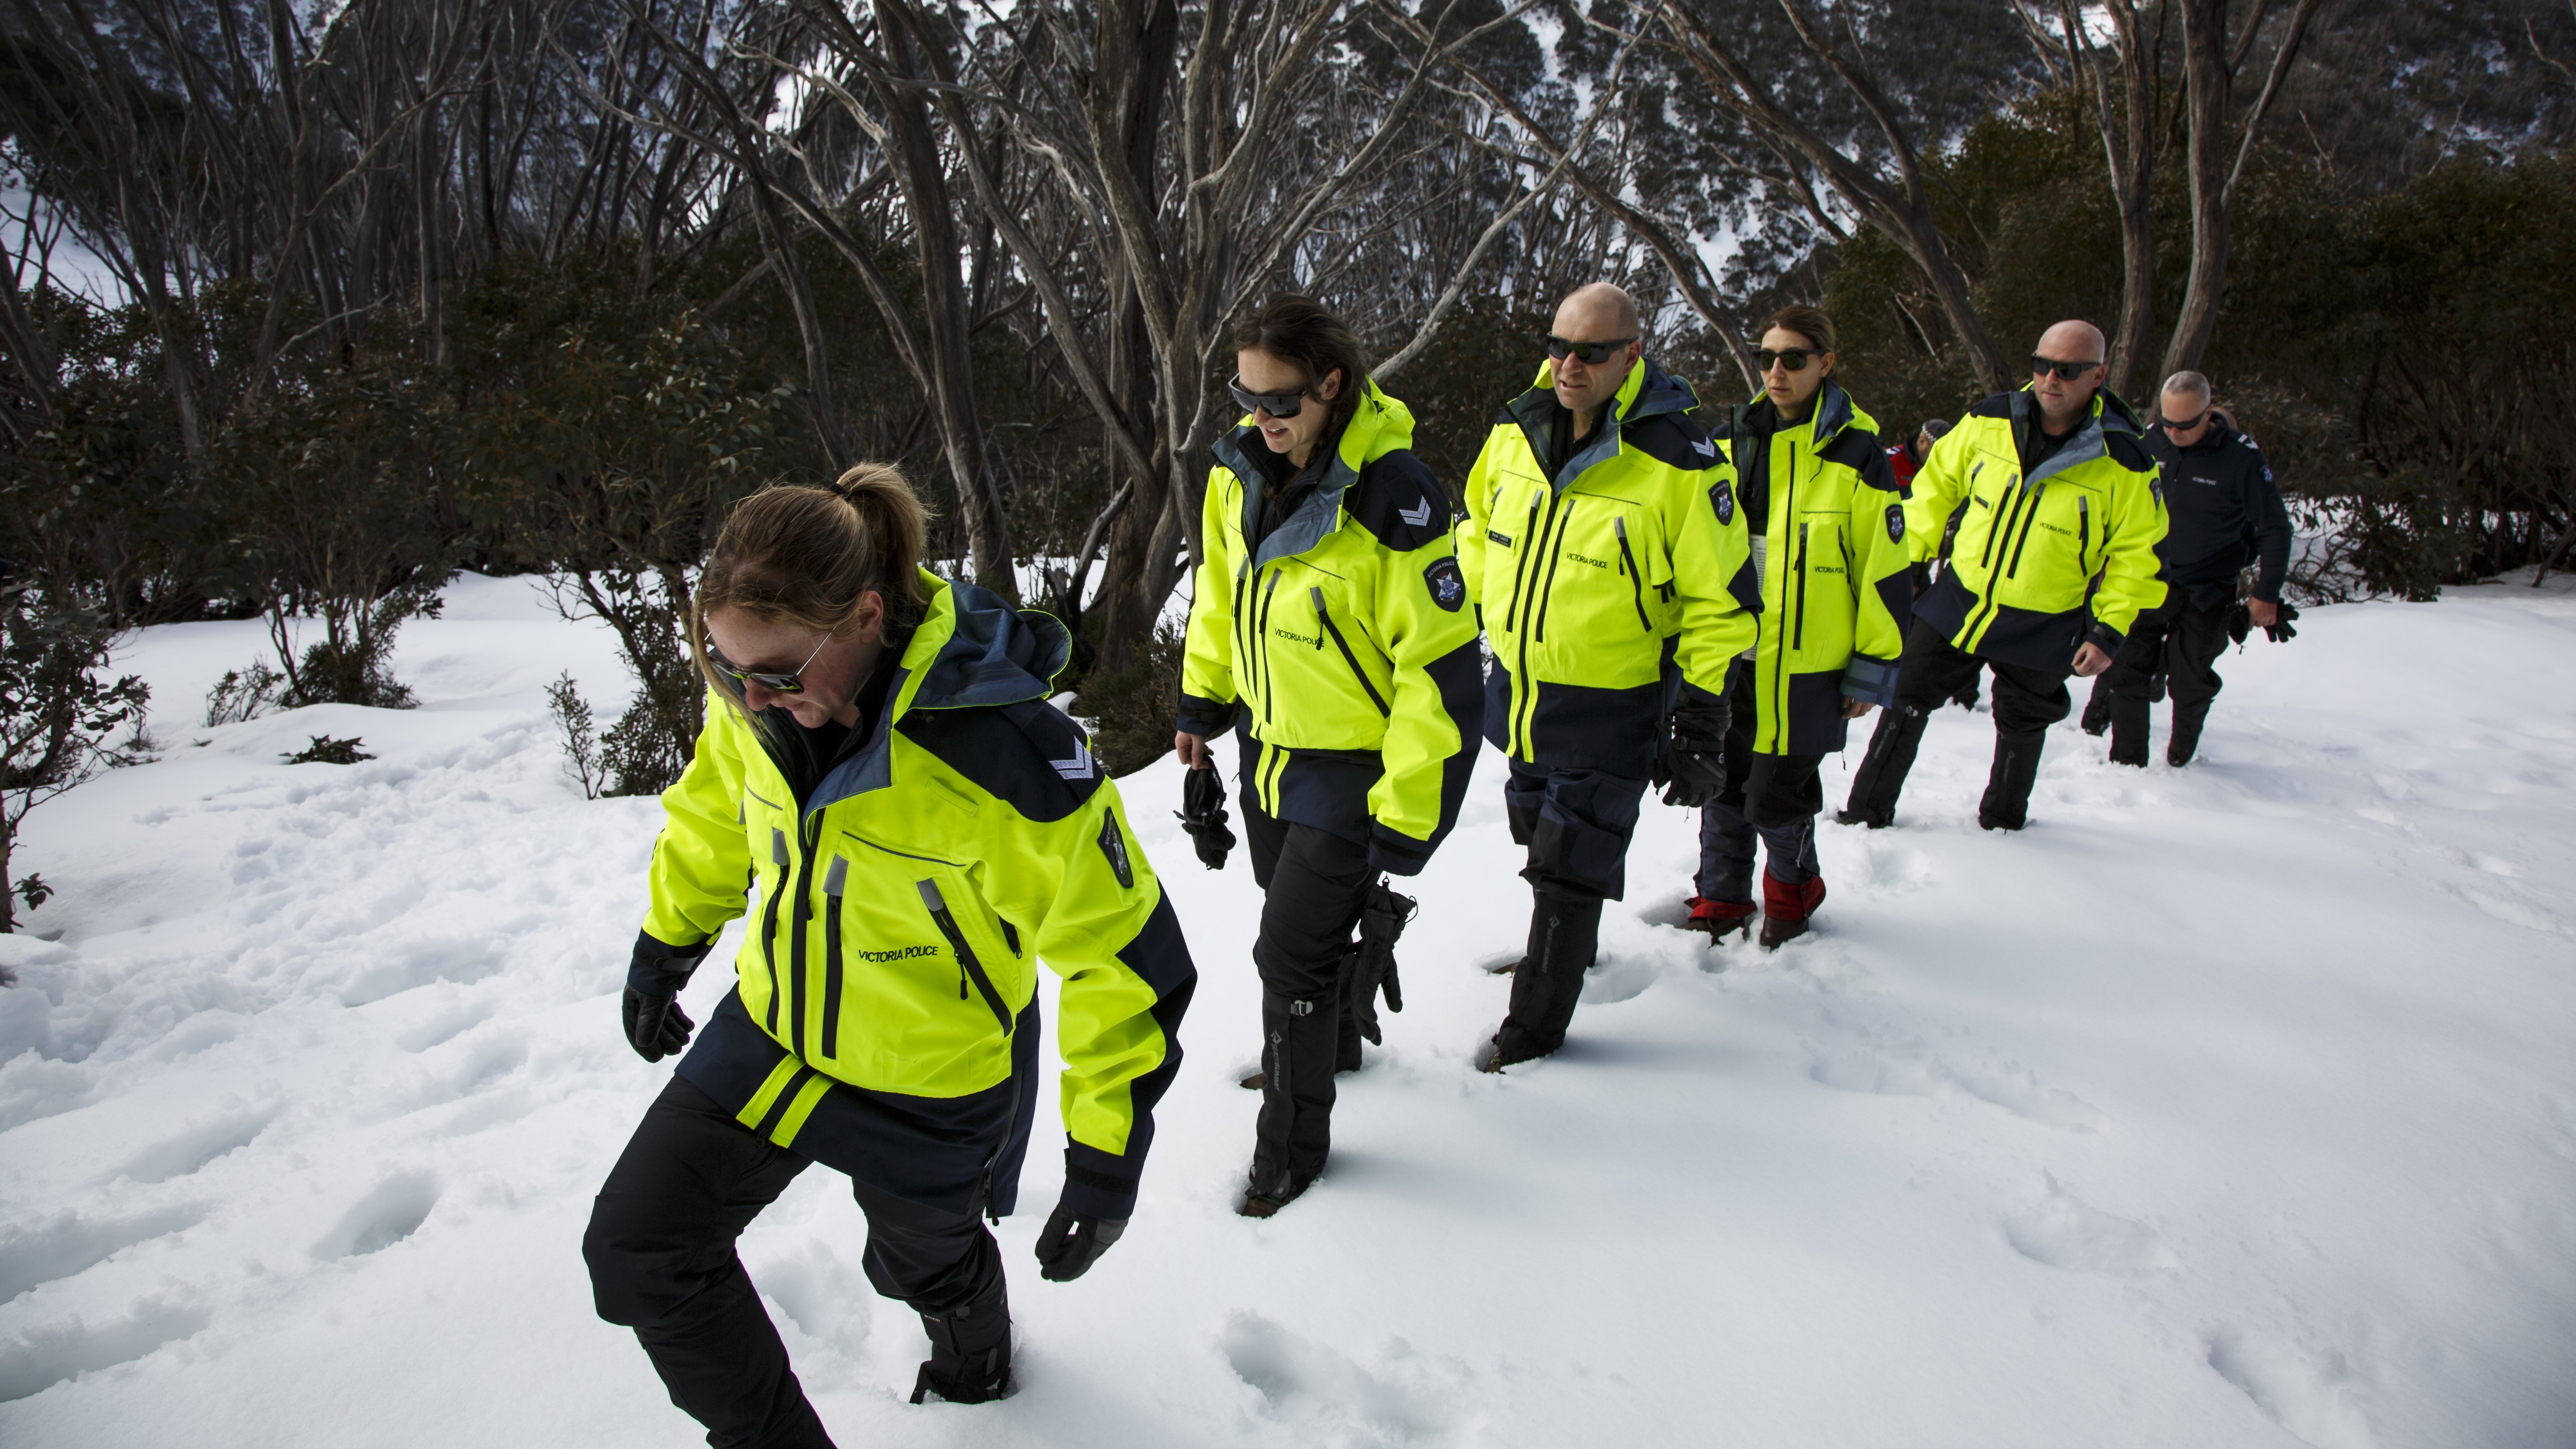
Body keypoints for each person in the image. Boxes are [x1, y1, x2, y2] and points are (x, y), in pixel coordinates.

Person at [584, 471, 1196, 1442]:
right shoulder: (753, 699)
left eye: (779, 674)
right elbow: (713, 811)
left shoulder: (1006, 756)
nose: (751, 698)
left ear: (868, 616)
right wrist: (667, 945)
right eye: (724, 666)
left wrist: (1106, 1160)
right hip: (777, 1031)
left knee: (920, 1264)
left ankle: (976, 1353)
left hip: (931, 1075)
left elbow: (1124, 961)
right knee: (638, 1249)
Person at [1172, 294, 1482, 1217]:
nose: (1261, 420)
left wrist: (1407, 810)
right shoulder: (1239, 471)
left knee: (1286, 958)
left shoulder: (1396, 501)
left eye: (1281, 402)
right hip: (1272, 751)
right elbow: (1223, 596)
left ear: (1333, 385)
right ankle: (1332, 1033)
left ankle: (1293, 1145)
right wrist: (1202, 700)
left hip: (1355, 767)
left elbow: (1441, 678)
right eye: (1247, 397)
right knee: (1292, 920)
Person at [1455, 281, 1755, 1069]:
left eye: (1590, 352)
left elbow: (1721, 603)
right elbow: (1477, 528)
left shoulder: (1680, 461)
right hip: (1521, 690)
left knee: (1570, 860)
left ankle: (1536, 1029)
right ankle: (1567, 948)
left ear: (1632, 354)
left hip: (1614, 700)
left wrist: (1700, 717)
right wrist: (1484, 614)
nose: (1568, 366)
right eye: (1557, 347)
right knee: (1534, 830)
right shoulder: (1516, 431)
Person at [1835, 320, 2166, 832]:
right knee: (1904, 701)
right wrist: (1900, 568)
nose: (2050, 378)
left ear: (2098, 374)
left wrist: (2109, 630)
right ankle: (1864, 817)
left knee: (2022, 724)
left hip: (2046, 618)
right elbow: (1933, 492)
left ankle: (2005, 829)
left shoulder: (2125, 460)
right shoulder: (1990, 419)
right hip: (1960, 600)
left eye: (2068, 369)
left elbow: (2136, 556)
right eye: (2041, 364)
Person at [1684, 305, 1912, 948]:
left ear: (1827, 364)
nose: (1775, 372)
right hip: (1734, 655)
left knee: (1778, 796)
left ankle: (1792, 891)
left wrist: (1872, 668)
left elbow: (1885, 569)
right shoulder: (1732, 442)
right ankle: (1722, 894)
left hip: (1812, 665)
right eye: (1766, 358)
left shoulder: (1859, 455)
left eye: (1793, 359)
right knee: (1722, 782)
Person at [2078, 371, 2292, 765]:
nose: (2175, 432)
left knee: (2191, 676)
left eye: (2186, 425)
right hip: (2146, 576)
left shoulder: (2240, 457)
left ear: (2209, 413)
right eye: (2169, 422)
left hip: (2207, 587)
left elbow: (2274, 528)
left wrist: (2266, 593)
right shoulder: (2148, 440)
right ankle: (2127, 763)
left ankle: (2180, 756)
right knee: (2126, 668)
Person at [1885, 417, 1950, 492]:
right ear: (1922, 442)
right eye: (1937, 450)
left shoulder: (1945, 469)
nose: (1942, 456)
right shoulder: (1892, 460)